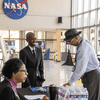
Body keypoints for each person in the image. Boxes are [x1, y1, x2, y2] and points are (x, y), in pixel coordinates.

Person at [63, 28, 100, 100]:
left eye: (70, 41)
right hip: (89, 74)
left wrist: (70, 82)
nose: (70, 44)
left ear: (76, 38)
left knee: (91, 97)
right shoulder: (83, 43)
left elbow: (81, 67)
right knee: (88, 96)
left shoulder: (83, 47)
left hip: (92, 75)